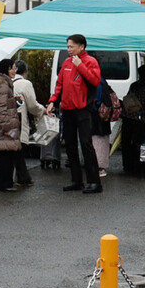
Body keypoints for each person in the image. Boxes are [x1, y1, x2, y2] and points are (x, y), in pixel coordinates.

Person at [47, 33, 102, 193]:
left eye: (71, 46)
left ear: (81, 47)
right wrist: (53, 101)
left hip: (83, 109)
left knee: (86, 144)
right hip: (67, 109)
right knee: (69, 144)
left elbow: (95, 81)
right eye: (68, 46)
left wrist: (80, 65)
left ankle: (95, 182)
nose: (68, 49)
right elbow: (60, 84)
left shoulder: (90, 61)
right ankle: (76, 180)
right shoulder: (66, 62)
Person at [0, 59, 24, 191]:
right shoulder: (3, 86)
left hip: (3, 126)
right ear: (5, 70)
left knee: (4, 156)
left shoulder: (4, 84)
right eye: (12, 68)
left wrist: (13, 99)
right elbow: (1, 109)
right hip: (5, 127)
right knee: (6, 157)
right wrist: (7, 128)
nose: (15, 70)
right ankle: (3, 184)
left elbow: (3, 103)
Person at [11, 59, 45, 187]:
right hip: (18, 120)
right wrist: (43, 110)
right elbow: (32, 105)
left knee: (14, 150)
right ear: (24, 72)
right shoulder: (25, 84)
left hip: (3, 121)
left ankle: (23, 178)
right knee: (17, 148)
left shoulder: (5, 82)